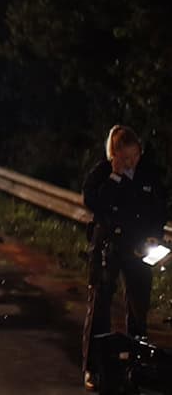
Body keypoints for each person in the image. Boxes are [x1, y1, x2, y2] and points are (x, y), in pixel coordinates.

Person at [81, 125, 167, 391]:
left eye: (135, 156)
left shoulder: (148, 174)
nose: (131, 162)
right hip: (108, 246)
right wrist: (115, 178)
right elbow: (94, 201)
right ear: (114, 154)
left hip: (138, 247)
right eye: (125, 157)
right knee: (101, 307)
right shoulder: (103, 174)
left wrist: (155, 235)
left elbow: (160, 206)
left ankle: (136, 365)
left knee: (139, 306)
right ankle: (94, 368)